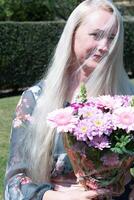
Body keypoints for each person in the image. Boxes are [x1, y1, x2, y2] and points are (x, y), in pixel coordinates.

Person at [4, 0, 134, 199]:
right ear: (73, 33)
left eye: (112, 38)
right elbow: (14, 184)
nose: (105, 46)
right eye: (96, 35)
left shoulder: (126, 100)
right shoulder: (35, 100)